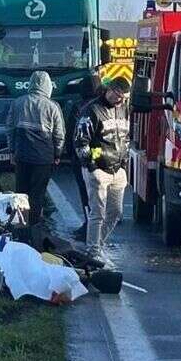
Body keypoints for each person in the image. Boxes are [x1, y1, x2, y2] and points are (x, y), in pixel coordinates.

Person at [6, 70, 66, 249]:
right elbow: (59, 134)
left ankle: (20, 231)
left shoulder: (18, 103)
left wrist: (12, 151)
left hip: (22, 156)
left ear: (30, 84)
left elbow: (9, 129)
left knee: (21, 193)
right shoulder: (52, 106)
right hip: (43, 158)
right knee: (37, 195)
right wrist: (57, 154)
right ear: (47, 86)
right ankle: (35, 233)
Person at [74, 74, 131, 260]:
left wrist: (123, 163)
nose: (118, 98)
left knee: (115, 212)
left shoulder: (123, 110)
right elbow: (82, 141)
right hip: (98, 170)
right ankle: (93, 251)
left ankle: (98, 244)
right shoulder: (93, 110)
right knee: (97, 213)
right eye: (116, 93)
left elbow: (125, 138)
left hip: (118, 170)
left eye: (122, 96)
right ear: (108, 89)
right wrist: (92, 165)